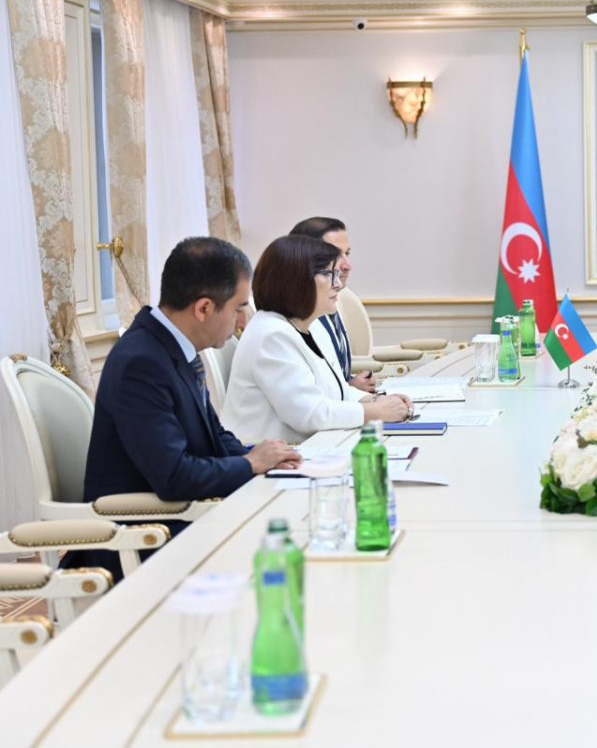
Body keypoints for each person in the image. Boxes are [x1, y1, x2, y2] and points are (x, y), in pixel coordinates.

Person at [80, 237, 301, 577]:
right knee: (287, 548)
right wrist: (250, 463)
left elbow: (215, 436)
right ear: (204, 308)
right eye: (238, 308)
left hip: (183, 518)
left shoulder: (169, 346)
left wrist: (266, 457)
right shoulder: (141, 362)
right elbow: (174, 476)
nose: (242, 321)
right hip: (144, 539)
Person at [222, 235, 413, 444]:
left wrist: (377, 400)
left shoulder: (309, 325)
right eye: (328, 274)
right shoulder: (271, 334)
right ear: (295, 280)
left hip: (311, 447)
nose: (338, 284)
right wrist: (375, 412)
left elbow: (336, 392)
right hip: (270, 456)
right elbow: (308, 414)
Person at [289, 216, 376, 393]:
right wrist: (350, 392)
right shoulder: (295, 319)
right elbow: (307, 398)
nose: (347, 265)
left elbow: (331, 378)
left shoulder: (330, 303)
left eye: (347, 254)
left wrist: (351, 386)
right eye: (335, 255)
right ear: (305, 258)